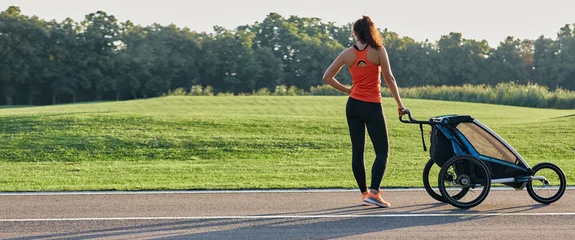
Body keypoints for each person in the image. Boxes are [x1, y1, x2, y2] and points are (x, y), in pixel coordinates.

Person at [322, 15, 407, 208]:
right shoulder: (378, 51)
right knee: (382, 151)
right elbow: (389, 79)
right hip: (371, 105)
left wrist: (348, 90)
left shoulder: (347, 53)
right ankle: (374, 193)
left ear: (355, 33)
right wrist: (400, 105)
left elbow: (326, 77)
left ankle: (364, 194)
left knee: (357, 151)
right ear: (371, 32)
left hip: (353, 105)